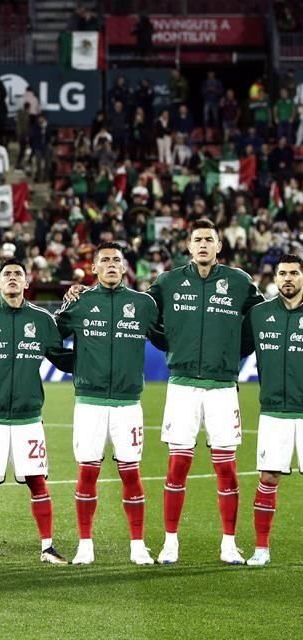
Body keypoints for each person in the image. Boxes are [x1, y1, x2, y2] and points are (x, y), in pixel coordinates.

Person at [68, 219, 264, 564]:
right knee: (177, 467)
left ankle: (229, 543)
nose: (203, 245)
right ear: (188, 246)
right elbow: (145, 318)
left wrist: (233, 351)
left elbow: (260, 318)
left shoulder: (239, 282)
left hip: (222, 387)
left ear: (219, 246)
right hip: (182, 387)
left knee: (227, 469)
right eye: (197, 240)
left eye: (209, 240)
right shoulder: (169, 282)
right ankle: (170, 542)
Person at [55, 243, 160, 565]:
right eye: (105, 261)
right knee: (87, 473)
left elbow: (168, 337)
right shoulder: (80, 303)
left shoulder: (143, 304)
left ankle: (138, 545)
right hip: (90, 402)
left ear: (125, 266)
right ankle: (85, 545)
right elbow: (48, 338)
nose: (112, 265)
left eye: (117, 260)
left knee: (131, 473)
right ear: (94, 268)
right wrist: (78, 365)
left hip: (128, 404)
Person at [0, 259, 70, 565]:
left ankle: (48, 547)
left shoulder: (43, 320)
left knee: (37, 481)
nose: (11, 278)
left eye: (17, 275)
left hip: (28, 418)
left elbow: (62, 358)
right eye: (6, 274)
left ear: (26, 283)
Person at [246, 254, 303, 566]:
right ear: (275, 278)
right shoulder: (259, 314)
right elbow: (234, 345)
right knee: (268, 478)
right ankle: (261, 549)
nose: (288, 279)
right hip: (273, 412)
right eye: (283, 273)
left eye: (294, 273)